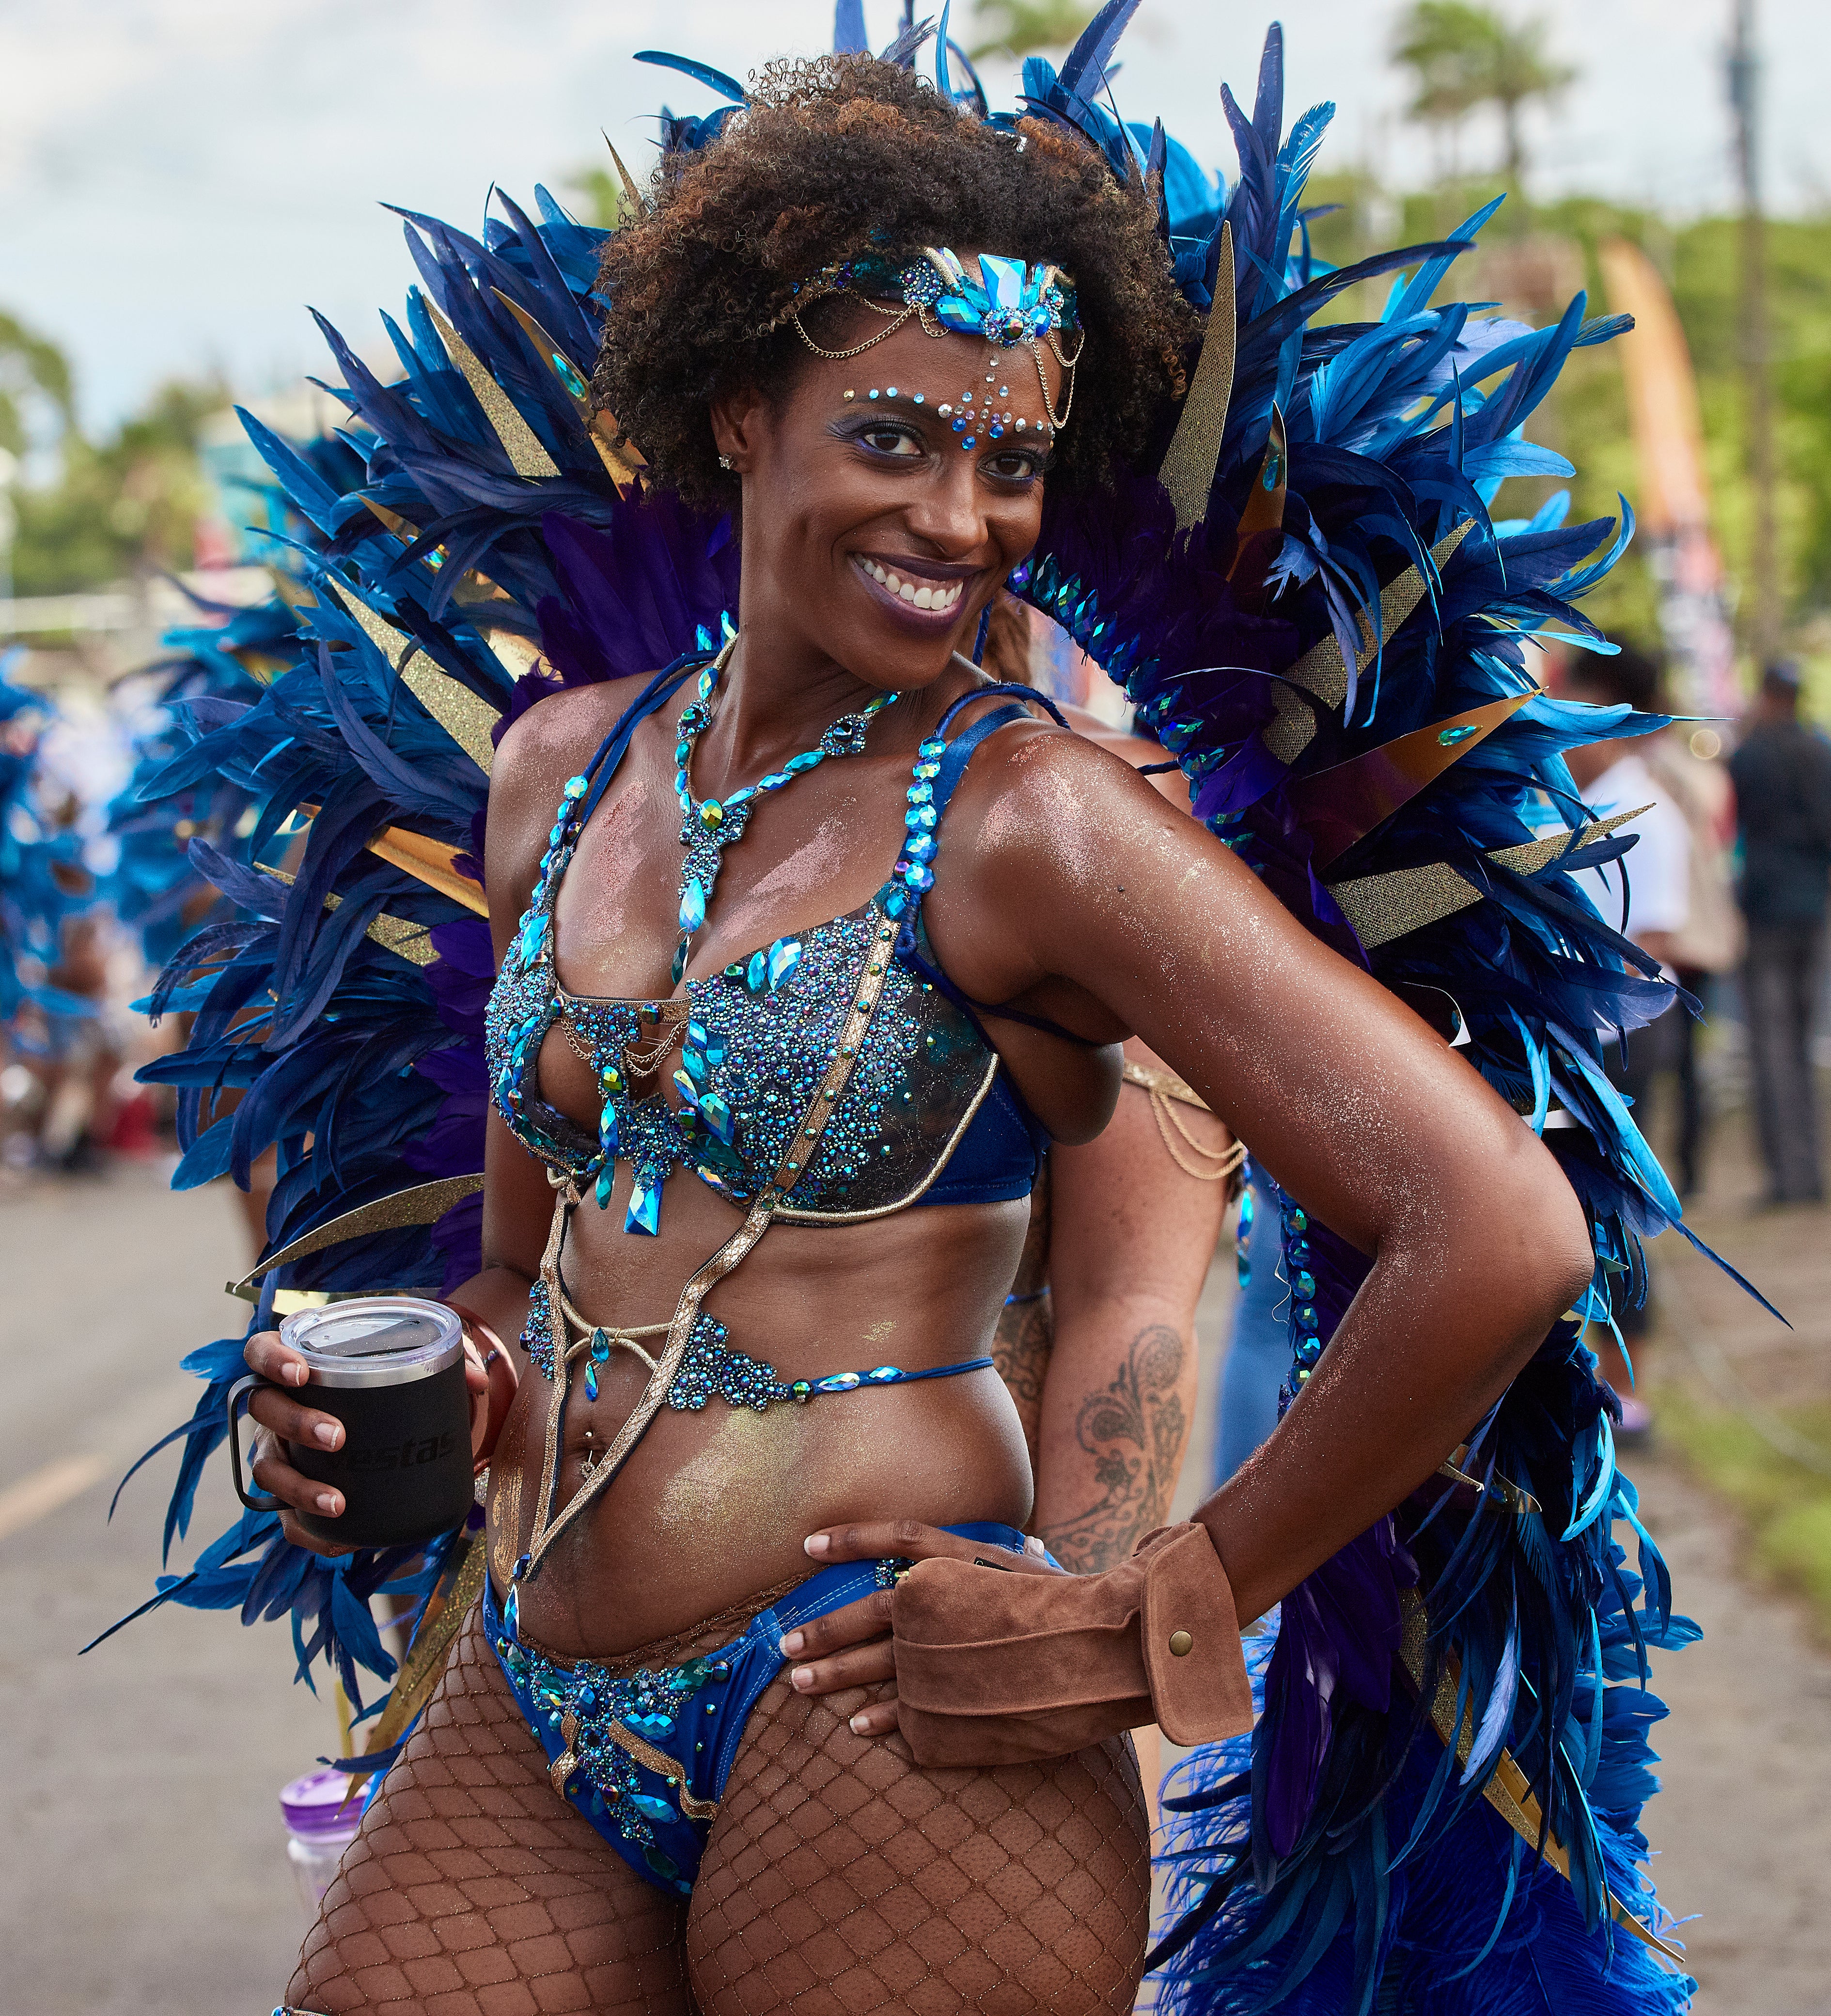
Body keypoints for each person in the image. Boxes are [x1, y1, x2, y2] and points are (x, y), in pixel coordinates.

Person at [123, 26, 1707, 2015]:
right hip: (540, 1670)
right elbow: (522, 1264)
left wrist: (1152, 1613)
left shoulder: (1032, 816)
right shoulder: (556, 775)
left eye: (1009, 462)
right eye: (891, 438)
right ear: (735, 412)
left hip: (885, 1702)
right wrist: (447, 1381)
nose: (960, 517)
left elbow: (1490, 1225)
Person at [1560, 642, 1693, 1431]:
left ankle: (1624, 1388)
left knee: (1616, 1210)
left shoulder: (1639, 810)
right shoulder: (1583, 802)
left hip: (1622, 1035)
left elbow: (1656, 939)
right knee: (1579, 1212)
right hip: (1588, 1033)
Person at [1728, 660, 1831, 1205]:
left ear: (1767, 696)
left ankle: (1785, 1175)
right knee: (1801, 1040)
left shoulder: (1750, 754)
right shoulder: (1819, 751)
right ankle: (1807, 1170)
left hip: (1765, 910)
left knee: (1770, 1046)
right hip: (1810, 909)